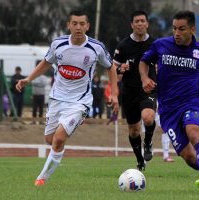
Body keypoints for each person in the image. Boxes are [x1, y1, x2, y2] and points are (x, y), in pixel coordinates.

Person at [15, 10, 119, 186]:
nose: (78, 27)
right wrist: (28, 79)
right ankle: (58, 147)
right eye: (75, 23)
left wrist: (115, 94)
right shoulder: (58, 44)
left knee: (59, 138)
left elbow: (111, 67)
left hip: (80, 102)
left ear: (88, 26)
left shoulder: (96, 47)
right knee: (50, 139)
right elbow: (46, 62)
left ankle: (42, 179)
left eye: (82, 24)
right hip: (56, 99)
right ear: (68, 25)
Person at [139, 10, 199, 194]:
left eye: (182, 29)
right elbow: (144, 61)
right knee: (188, 157)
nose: (177, 33)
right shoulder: (161, 45)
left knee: (194, 132)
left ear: (192, 29)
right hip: (168, 109)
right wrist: (145, 78)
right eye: (174, 28)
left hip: (192, 102)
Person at [113, 11, 157, 170]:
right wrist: (120, 70)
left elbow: (162, 66)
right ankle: (140, 161)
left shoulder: (155, 44)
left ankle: (149, 142)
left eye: (142, 21)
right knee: (133, 131)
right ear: (132, 25)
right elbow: (114, 70)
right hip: (129, 92)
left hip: (148, 89)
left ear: (147, 24)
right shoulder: (123, 45)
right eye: (136, 21)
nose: (140, 24)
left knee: (148, 117)